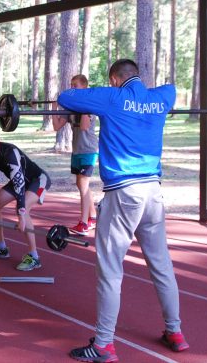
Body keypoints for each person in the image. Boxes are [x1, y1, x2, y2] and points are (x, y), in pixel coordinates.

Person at [58, 59, 188, 362]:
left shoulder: (112, 97)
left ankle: (103, 345)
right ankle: (175, 331)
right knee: (161, 265)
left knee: (110, 270)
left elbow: (67, 97)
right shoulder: (161, 97)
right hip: (153, 193)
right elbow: (171, 89)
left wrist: (109, 95)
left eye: (113, 81)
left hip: (123, 193)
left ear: (115, 79)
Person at [0, 120, 51, 272]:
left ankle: (34, 257)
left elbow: (20, 185)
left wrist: (21, 215)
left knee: (23, 209)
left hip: (37, 180)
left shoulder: (10, 153)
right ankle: (1, 247)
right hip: (18, 180)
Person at [52, 74, 99, 236]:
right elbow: (57, 126)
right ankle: (92, 217)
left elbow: (85, 126)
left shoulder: (89, 107)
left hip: (89, 150)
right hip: (77, 150)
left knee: (83, 185)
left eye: (75, 85)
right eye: (71, 85)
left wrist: (82, 104)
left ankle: (84, 223)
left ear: (84, 88)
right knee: (81, 185)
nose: (72, 88)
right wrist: (54, 109)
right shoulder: (70, 108)